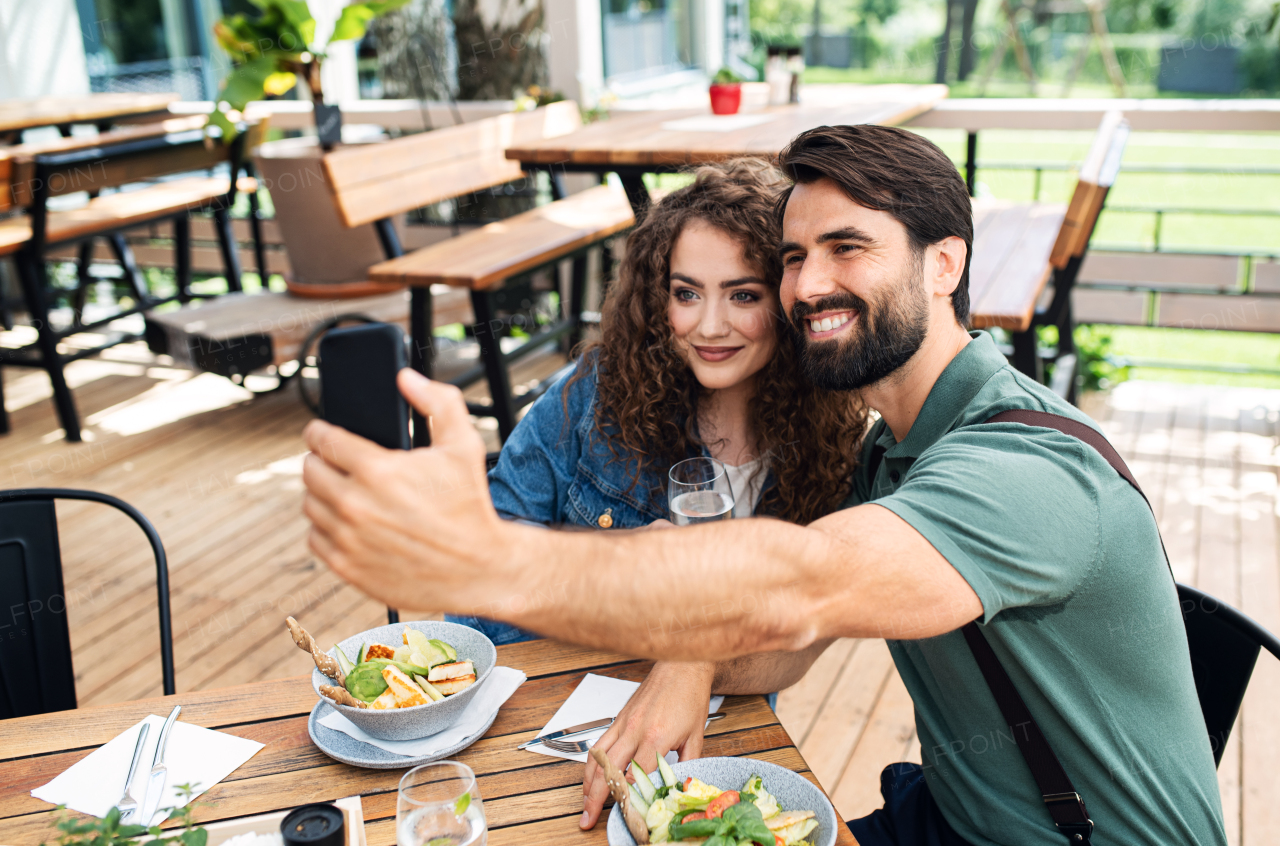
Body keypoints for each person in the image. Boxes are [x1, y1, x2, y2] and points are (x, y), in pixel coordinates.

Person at [300, 125, 1228, 846]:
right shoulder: (891, 451)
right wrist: (693, 657)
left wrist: (483, 561)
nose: (807, 285)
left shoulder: (1027, 469)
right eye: (792, 257)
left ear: (944, 264)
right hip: (951, 818)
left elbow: (797, 587)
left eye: (847, 248)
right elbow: (795, 639)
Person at [451, 159, 867, 828]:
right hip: (549, 714)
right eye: (686, 293)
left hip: (720, 734)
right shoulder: (596, 394)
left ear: (789, 300)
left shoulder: (830, 439)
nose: (708, 326)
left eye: (743, 295)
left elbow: (806, 630)